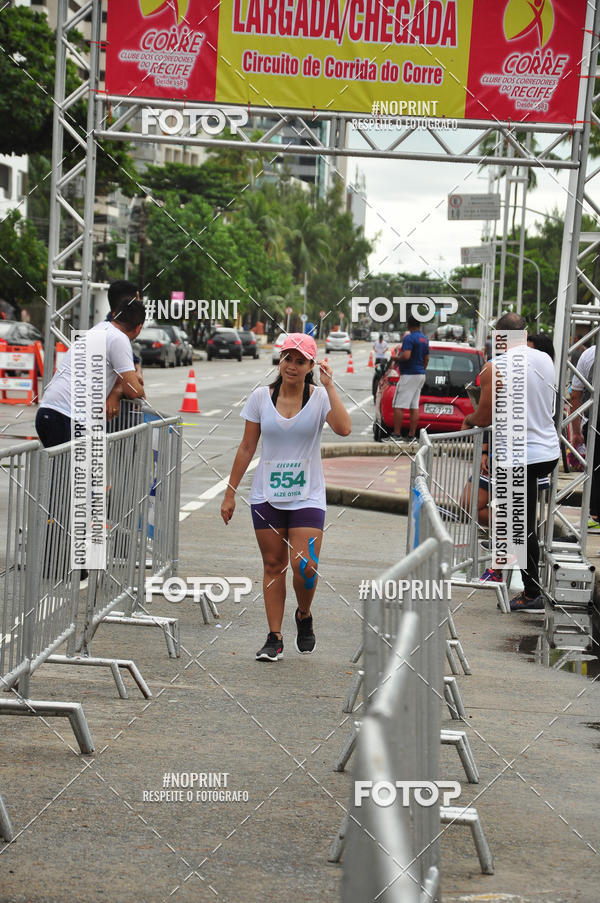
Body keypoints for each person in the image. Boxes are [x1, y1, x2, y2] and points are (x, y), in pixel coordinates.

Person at [220, 333, 351, 662]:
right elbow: (247, 447)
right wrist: (230, 493)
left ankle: (303, 615)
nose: (292, 366)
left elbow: (344, 428)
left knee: (304, 567)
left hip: (308, 495)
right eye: (287, 359)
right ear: (280, 361)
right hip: (267, 494)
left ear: (311, 366)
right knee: (273, 565)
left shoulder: (320, 398)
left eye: (300, 361)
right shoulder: (261, 398)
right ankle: (274, 637)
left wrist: (331, 386)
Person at [461, 313, 559, 611]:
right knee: (517, 519)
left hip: (518, 456)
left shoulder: (495, 368)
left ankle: (531, 593)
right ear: (524, 333)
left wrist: (468, 420)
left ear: (498, 336)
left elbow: (484, 415)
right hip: (547, 452)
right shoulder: (545, 359)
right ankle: (503, 568)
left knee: (520, 525)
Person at [35, 298, 146, 448]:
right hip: (71, 417)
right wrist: (121, 391)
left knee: (60, 471)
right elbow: (133, 390)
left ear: (115, 315)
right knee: (78, 471)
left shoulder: (99, 329)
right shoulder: (119, 339)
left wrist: (115, 391)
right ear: (138, 328)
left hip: (48, 410)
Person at [569, 342, 600, 530]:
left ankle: (595, 515)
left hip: (595, 421)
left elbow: (575, 396)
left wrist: (576, 431)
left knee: (595, 469)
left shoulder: (589, 355)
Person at [390, 312, 429, 440]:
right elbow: (427, 358)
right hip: (420, 374)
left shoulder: (409, 338)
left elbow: (406, 356)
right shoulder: (425, 339)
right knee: (414, 406)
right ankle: (412, 435)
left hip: (409, 374)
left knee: (398, 405)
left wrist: (395, 357)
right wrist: (421, 370)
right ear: (419, 325)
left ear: (409, 325)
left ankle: (396, 434)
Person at [106, 280, 144, 384]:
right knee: (118, 390)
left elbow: (131, 357)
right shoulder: (117, 336)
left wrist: (137, 367)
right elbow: (133, 390)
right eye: (138, 299)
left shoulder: (104, 328)